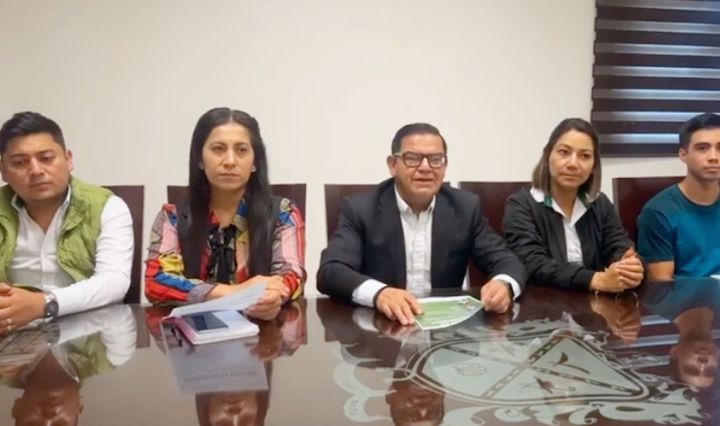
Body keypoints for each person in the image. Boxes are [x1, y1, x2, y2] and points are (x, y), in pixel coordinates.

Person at [317, 123, 527, 325]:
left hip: (444, 332)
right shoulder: (361, 209)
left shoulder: (465, 207)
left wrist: (504, 284)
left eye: (436, 159)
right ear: (393, 165)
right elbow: (331, 271)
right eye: (413, 158)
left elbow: (507, 261)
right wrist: (380, 293)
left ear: (445, 166)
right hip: (380, 329)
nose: (425, 168)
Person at [145, 108, 305, 320]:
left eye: (241, 150)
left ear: (255, 162)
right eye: (218, 149)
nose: (230, 161)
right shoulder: (172, 217)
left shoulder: (283, 213)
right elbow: (156, 281)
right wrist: (237, 293)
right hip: (194, 334)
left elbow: (292, 275)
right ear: (200, 159)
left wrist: (272, 297)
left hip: (262, 332)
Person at [0, 112, 133, 331]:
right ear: (3, 171)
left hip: (86, 334)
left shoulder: (107, 207)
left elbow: (113, 282)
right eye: (20, 162)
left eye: (46, 158)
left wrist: (44, 303)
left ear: (68, 159)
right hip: (10, 332)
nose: (36, 170)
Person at [503, 118, 644, 293]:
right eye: (564, 152)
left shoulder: (599, 203)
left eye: (585, 156)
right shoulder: (521, 204)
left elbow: (618, 245)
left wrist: (629, 266)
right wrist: (595, 280)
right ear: (547, 156)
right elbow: (532, 263)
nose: (573, 164)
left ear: (594, 165)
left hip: (595, 304)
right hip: (542, 303)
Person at [637, 113, 720, 281]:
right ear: (683, 155)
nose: (713, 157)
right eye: (702, 148)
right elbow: (661, 283)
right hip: (687, 298)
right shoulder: (657, 212)